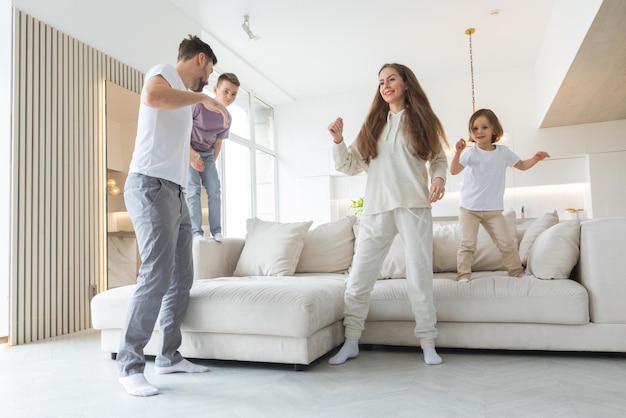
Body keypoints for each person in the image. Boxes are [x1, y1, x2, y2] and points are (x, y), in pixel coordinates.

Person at [117, 35, 228, 397]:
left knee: (183, 276)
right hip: (149, 186)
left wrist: (195, 157)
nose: (208, 81)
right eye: (209, 71)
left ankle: (168, 355)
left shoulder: (183, 100)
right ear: (199, 59)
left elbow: (170, 139)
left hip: (175, 190)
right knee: (157, 272)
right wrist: (202, 98)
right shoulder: (163, 73)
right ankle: (130, 365)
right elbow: (151, 97)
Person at [327, 63, 449, 366]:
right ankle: (352, 340)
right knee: (359, 278)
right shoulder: (373, 125)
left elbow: (438, 159)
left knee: (419, 277)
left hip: (414, 207)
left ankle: (428, 343)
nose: (385, 85)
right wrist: (338, 141)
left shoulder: (423, 121)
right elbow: (349, 165)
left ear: (406, 83)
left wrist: (438, 178)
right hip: (376, 209)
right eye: (381, 81)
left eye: (391, 78)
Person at [449, 108, 550, 283]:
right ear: (471, 133)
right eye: (475, 129)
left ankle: (517, 272)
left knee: (507, 243)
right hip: (469, 208)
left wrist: (535, 158)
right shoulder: (470, 153)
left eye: (484, 127)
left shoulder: (503, 153)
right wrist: (457, 152)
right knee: (468, 245)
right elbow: (454, 170)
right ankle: (463, 276)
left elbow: (522, 165)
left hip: (492, 209)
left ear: (494, 130)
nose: (479, 132)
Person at [187, 73, 240, 242]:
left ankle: (216, 230)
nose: (229, 97)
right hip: (188, 151)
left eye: (233, 94)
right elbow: (181, 133)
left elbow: (218, 143)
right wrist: (193, 156)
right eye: (226, 91)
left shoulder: (227, 118)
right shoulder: (198, 106)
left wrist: (209, 164)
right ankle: (196, 233)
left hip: (208, 154)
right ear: (216, 89)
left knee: (214, 190)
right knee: (193, 190)